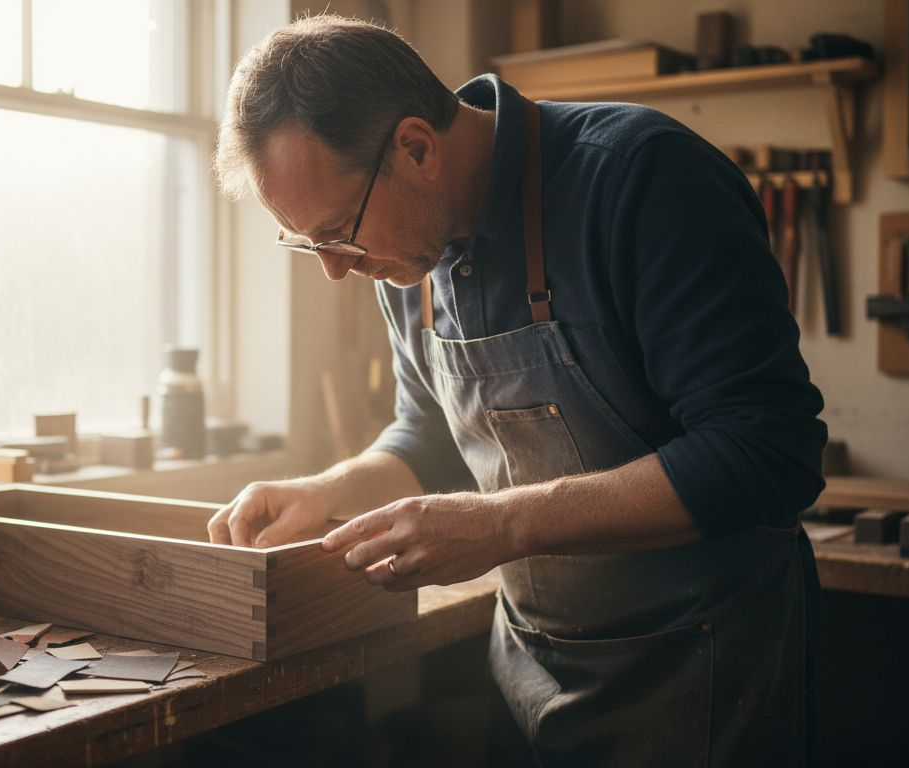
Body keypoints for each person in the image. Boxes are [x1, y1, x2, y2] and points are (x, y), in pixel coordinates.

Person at [208, 14, 827, 767]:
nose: (336, 268)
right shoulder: (405, 253)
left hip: (707, 671)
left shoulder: (642, 178)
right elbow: (431, 434)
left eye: (338, 233)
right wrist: (332, 488)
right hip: (534, 671)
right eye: (310, 244)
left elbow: (767, 451)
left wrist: (502, 525)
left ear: (416, 148)